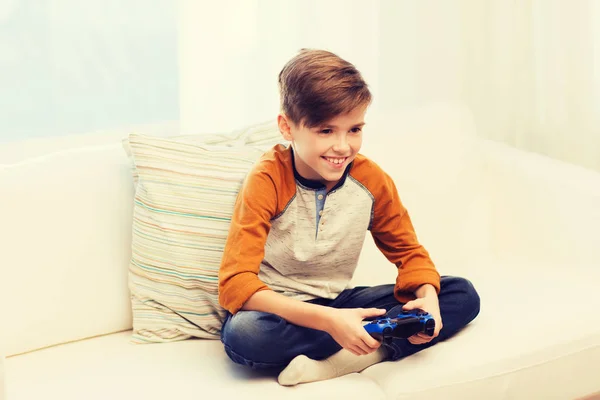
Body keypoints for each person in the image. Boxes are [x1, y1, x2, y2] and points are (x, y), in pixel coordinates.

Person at [218, 48, 480, 386]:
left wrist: (427, 297)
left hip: (340, 302)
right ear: (287, 127)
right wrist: (329, 321)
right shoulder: (267, 179)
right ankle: (364, 338)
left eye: (354, 129)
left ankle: (350, 356)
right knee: (246, 334)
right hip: (279, 311)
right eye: (326, 131)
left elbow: (409, 254)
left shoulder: (371, 180)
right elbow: (235, 284)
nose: (343, 146)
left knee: (460, 294)